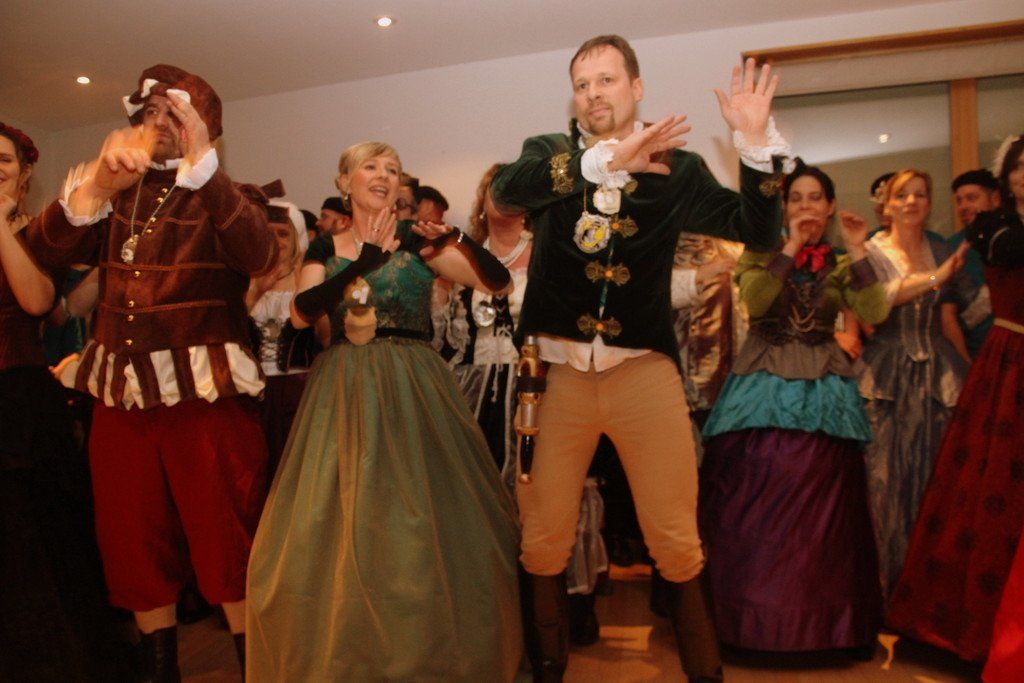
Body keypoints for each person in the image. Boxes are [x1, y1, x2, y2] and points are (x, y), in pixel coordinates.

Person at [489, 34, 789, 682]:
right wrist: (600, 161)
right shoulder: (550, 153)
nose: (593, 93)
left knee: (676, 540)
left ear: (637, 87)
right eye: (583, 83)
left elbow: (760, 232)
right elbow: (507, 194)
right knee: (542, 540)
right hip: (556, 379)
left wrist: (754, 147)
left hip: (644, 374)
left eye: (606, 79)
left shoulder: (678, 169)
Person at [24, 65, 277, 680]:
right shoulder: (116, 192)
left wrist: (205, 169)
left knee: (227, 539)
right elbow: (43, 253)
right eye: (150, 112)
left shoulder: (230, 194)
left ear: (203, 128)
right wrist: (95, 188)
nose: (157, 123)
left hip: (205, 397)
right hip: (119, 397)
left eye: (175, 114)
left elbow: (260, 254)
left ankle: (256, 670)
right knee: (130, 541)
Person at [246, 142, 523, 681]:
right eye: (370, 166)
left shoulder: (416, 243)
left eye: (392, 169)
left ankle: (427, 648)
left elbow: (499, 283)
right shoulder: (323, 246)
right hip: (344, 389)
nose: (383, 175)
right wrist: (363, 263)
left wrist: (460, 239)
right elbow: (301, 315)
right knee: (342, 517)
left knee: (421, 519)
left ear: (399, 187)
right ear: (345, 181)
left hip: (416, 387)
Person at [698, 164, 887, 654]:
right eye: (796, 198)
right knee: (753, 507)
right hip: (760, 385)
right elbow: (758, 303)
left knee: (827, 517)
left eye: (814, 198)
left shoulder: (842, 263)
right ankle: (746, 627)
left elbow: (874, 312)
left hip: (825, 389)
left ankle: (828, 631)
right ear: (782, 209)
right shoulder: (757, 254)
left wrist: (859, 249)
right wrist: (789, 248)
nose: (805, 206)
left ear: (829, 206)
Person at [435, 163, 609, 647]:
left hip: (543, 387)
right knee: (482, 499)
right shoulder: (461, 256)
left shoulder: (552, 252)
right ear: (484, 200)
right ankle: (494, 615)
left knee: (552, 497)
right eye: (497, 190)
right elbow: (450, 340)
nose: (506, 199)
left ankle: (555, 618)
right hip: (477, 395)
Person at [886, 135, 1024, 663]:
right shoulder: (992, 229)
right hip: (1006, 365)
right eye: (1019, 167)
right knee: (983, 485)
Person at [0, 122, 128, 682]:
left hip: (20, 399)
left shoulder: (37, 234)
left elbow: (41, 305)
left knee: (41, 536)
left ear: (24, 173)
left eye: (4, 160)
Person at [855, 168, 973, 599]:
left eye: (920, 195)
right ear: (887, 204)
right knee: (883, 482)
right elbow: (876, 307)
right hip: (885, 372)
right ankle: (884, 592)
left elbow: (953, 316)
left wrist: (973, 369)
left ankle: (927, 595)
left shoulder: (941, 247)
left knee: (934, 480)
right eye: (902, 195)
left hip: (938, 374)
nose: (911, 202)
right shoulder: (871, 250)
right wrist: (936, 276)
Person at [247, 196, 314, 480]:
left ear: (296, 238)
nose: (277, 240)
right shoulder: (246, 277)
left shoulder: (307, 276)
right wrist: (257, 289)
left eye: (283, 233)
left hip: (297, 388)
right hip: (254, 390)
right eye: (269, 232)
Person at [948, 168, 1000, 357]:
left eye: (971, 198)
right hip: (975, 353)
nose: (963, 206)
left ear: (995, 199)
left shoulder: (1014, 239)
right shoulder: (950, 248)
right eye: (959, 201)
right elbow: (947, 315)